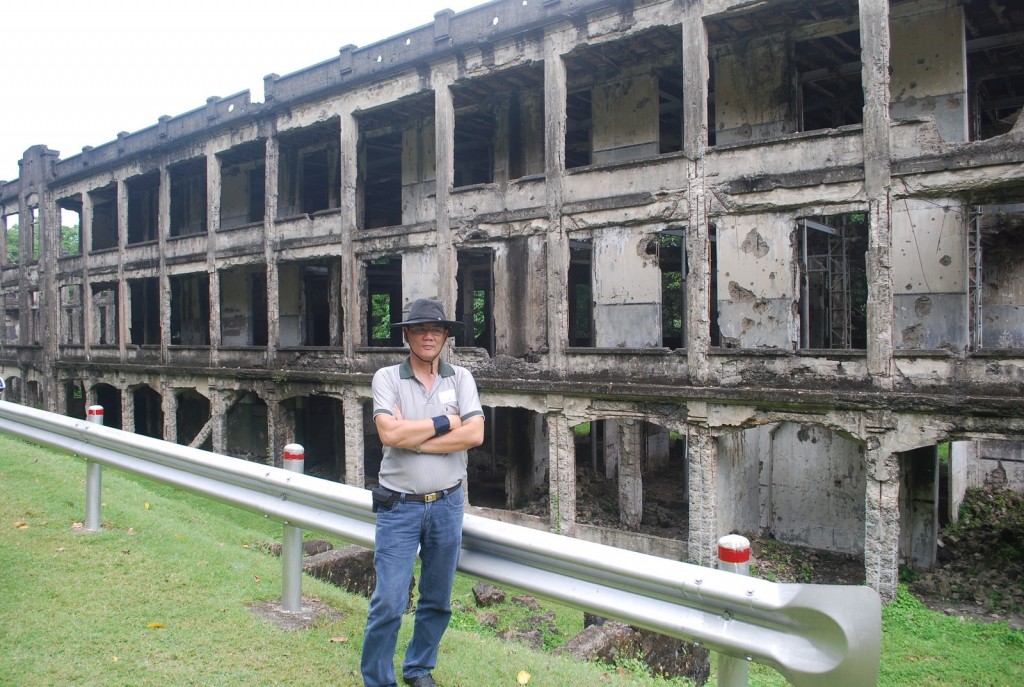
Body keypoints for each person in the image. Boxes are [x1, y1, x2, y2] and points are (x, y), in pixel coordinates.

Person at [361, 298, 485, 687]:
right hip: (399, 506)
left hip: (447, 505)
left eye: (435, 329)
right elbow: (388, 434)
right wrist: (443, 423)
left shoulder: (461, 378)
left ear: (446, 335)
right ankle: (379, 680)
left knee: (436, 600)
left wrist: (414, 439)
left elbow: (475, 434)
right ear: (406, 335)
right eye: (419, 329)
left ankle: (419, 668)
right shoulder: (387, 378)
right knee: (389, 602)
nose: (428, 336)